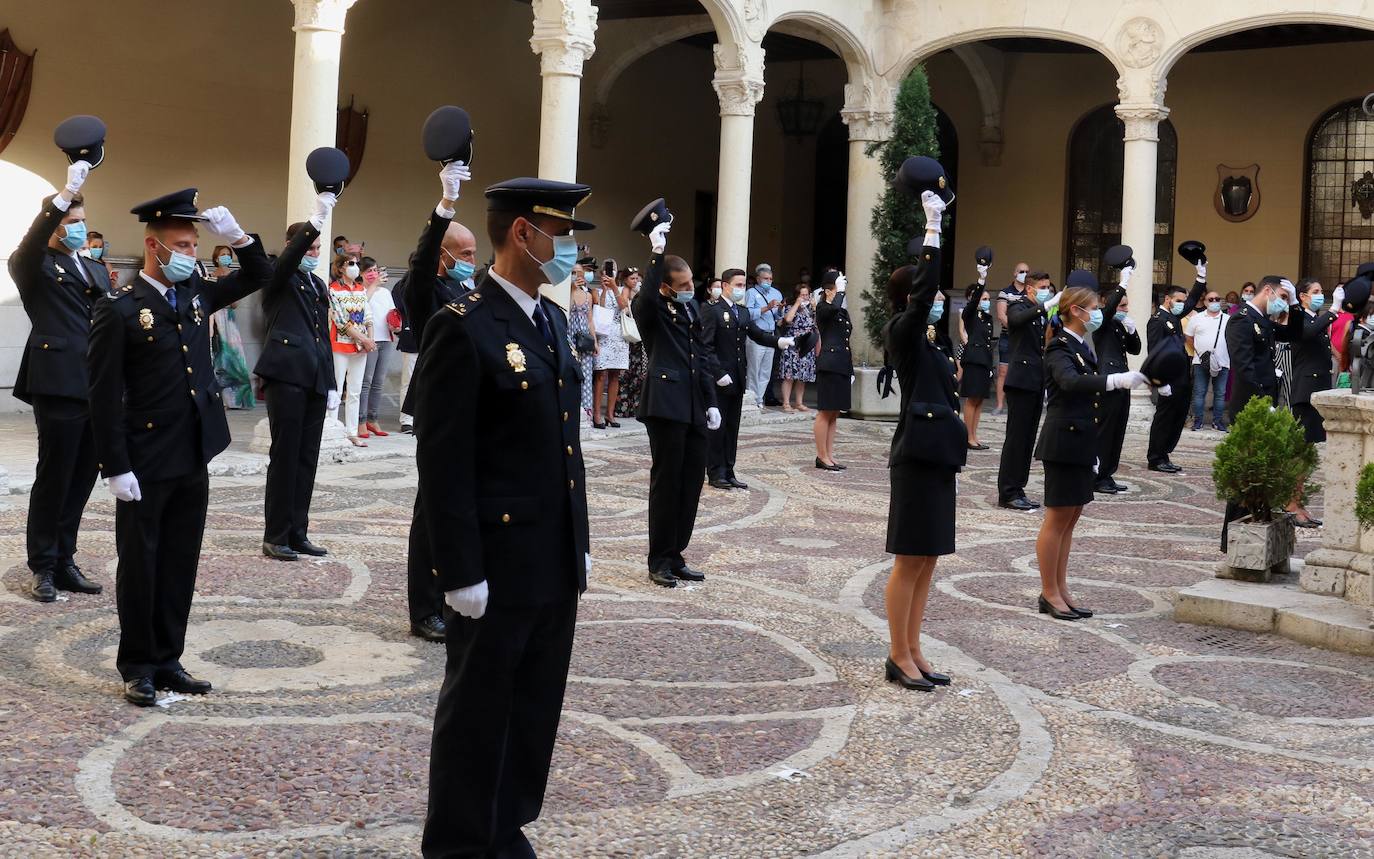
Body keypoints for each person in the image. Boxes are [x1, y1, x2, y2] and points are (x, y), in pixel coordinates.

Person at [414, 177, 591, 859]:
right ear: (524, 233)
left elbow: (564, 442)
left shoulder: (546, 319)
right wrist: (458, 569)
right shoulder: (464, 325)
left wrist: (578, 541)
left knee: (534, 704)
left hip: (550, 554)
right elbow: (444, 460)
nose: (569, 248)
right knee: (477, 711)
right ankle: (459, 842)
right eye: (563, 234)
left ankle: (505, 825)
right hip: (494, 561)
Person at [89, 189, 294, 706]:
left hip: (192, 450)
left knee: (181, 560)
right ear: (155, 248)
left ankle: (168, 658)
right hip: (144, 457)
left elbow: (259, 276)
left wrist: (239, 237)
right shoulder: (119, 310)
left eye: (194, 245)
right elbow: (103, 394)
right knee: (140, 564)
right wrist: (114, 465)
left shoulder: (196, 295)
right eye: (182, 245)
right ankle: (138, 663)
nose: (191, 254)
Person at [9, 159, 108, 602]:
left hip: (98, 384)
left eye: (81, 222)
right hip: (58, 382)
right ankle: (44, 565)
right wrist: (60, 198)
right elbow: (30, 245)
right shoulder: (34, 264)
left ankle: (66, 558)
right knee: (55, 474)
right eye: (71, 221)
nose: (78, 229)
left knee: (84, 474)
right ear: (54, 223)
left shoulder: (94, 269)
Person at [882, 189, 962, 692]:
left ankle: (915, 647)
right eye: (929, 299)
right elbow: (924, 289)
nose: (936, 305)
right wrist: (932, 230)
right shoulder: (902, 332)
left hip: (938, 456)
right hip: (915, 455)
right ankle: (896, 654)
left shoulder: (929, 340)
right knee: (909, 559)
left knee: (929, 558)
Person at [1034, 282, 1149, 621]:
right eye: (1093, 307)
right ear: (1075, 311)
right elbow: (1070, 383)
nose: (1098, 313)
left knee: (1071, 518)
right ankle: (1048, 591)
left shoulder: (1084, 345)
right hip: (1062, 440)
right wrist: (1114, 381)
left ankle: (1061, 587)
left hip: (1082, 438)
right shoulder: (1059, 347)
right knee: (1057, 519)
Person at [399, 160, 477, 642]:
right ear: (446, 257)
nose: (472, 258)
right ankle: (423, 609)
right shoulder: (426, 287)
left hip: (470, 407)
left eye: (474, 251)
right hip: (439, 408)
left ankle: (452, 593)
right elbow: (422, 263)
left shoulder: (471, 287)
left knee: (459, 509)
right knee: (430, 513)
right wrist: (443, 210)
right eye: (463, 252)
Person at [633, 218, 720, 588]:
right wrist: (655, 252)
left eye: (691, 284)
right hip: (665, 405)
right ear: (667, 286)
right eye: (682, 286)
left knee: (691, 482)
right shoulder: (651, 309)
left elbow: (699, 356)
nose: (690, 290)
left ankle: (677, 553)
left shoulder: (688, 310)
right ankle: (659, 558)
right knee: (667, 483)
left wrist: (712, 400)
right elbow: (646, 298)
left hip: (693, 406)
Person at [255, 217, 339, 563]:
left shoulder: (317, 284)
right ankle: (275, 535)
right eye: (309, 247)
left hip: (315, 377)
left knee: (307, 459)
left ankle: (297, 531)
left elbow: (323, 336)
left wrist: (331, 382)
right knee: (286, 456)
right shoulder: (279, 275)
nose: (314, 253)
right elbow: (287, 262)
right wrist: (314, 223)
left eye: (318, 248)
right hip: (286, 376)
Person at [1221, 276, 1304, 544]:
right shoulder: (1241, 319)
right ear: (1267, 290)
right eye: (1280, 296)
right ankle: (1232, 538)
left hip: (1264, 405)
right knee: (1245, 474)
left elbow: (1294, 333)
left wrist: (1295, 304)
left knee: (1261, 473)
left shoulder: (1263, 321)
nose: (1281, 302)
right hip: (1249, 408)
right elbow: (1244, 368)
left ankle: (1254, 530)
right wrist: (1260, 405)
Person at [701, 268, 794, 490]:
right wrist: (718, 372)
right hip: (720, 379)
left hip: (737, 379)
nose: (742, 289)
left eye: (744, 285)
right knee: (718, 427)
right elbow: (706, 346)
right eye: (739, 285)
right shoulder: (711, 310)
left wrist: (779, 342)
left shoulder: (741, 312)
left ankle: (729, 470)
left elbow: (757, 333)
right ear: (725, 285)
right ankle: (715, 472)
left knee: (732, 428)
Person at [997, 271, 1052, 510]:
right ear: (1029, 289)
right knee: (1016, 439)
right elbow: (1016, 322)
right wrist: (1045, 307)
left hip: (1035, 380)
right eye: (1042, 287)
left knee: (1028, 439)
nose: (1046, 291)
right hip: (1020, 381)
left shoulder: (1040, 313)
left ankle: (1019, 487)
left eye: (1048, 287)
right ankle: (1008, 491)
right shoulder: (1017, 306)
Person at [1145, 265, 1208, 472]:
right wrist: (1160, 383)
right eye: (1178, 301)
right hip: (1168, 380)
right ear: (1167, 300)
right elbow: (1154, 353)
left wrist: (1201, 276)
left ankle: (1165, 454)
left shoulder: (1173, 317)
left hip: (1181, 377)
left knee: (1177, 418)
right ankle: (1156, 457)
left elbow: (1191, 302)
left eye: (1183, 301)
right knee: (1164, 419)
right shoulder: (1157, 321)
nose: (1182, 304)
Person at [1287, 280, 1336, 525]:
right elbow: (1307, 333)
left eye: (1321, 292)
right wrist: (1333, 311)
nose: (1320, 295)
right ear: (1302, 296)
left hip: (1317, 390)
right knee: (1300, 451)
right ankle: (1292, 504)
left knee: (1307, 452)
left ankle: (1299, 502)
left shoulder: (1315, 319)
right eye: (1316, 292)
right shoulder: (1299, 319)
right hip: (1305, 392)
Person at [1093, 286, 1141, 494]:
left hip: (1123, 379)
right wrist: (1124, 281)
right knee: (1106, 429)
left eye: (1127, 305)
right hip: (1109, 379)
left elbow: (1136, 349)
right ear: (1105, 301)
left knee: (1118, 429)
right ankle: (1098, 475)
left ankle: (1108, 473)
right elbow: (1109, 309)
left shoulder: (1120, 324)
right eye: (1122, 305)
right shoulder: (1100, 320)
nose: (1126, 309)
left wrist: (1131, 330)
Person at [329, 254, 375, 446]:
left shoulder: (360, 289)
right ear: (340, 268)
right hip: (341, 344)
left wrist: (370, 339)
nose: (355, 267)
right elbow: (340, 321)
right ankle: (332, 429)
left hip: (361, 347)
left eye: (357, 264)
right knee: (336, 389)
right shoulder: (333, 290)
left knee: (355, 390)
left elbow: (368, 316)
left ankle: (352, 431)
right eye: (351, 264)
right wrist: (365, 339)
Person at [206, 245, 256, 410]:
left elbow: (235, 304)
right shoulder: (210, 276)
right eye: (223, 254)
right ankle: (220, 399)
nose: (226, 257)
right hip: (214, 318)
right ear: (216, 257)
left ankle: (237, 400)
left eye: (228, 254)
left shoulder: (234, 276)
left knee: (234, 357)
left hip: (228, 320)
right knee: (218, 359)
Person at [813, 270, 853, 470]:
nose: (841, 293)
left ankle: (829, 454)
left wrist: (851, 369)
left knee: (834, 412)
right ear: (829, 291)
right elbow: (830, 311)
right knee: (825, 411)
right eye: (837, 289)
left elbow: (846, 341)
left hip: (841, 363)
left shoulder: (840, 310)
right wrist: (839, 294)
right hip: (829, 363)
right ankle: (821, 456)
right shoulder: (822, 308)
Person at [358, 259, 397, 438]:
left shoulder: (386, 292)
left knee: (378, 382)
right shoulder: (360, 291)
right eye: (369, 271)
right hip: (369, 341)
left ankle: (373, 418)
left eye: (375, 269)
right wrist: (372, 285)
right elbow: (361, 306)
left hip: (386, 340)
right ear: (361, 273)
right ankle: (361, 420)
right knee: (366, 381)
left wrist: (396, 326)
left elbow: (392, 313)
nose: (373, 273)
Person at [1185, 289, 1230, 431]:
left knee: (1220, 394)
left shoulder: (1228, 319)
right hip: (1201, 362)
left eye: (1217, 299)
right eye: (1210, 299)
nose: (1214, 302)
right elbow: (1188, 337)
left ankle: (1217, 422)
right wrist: (1199, 351)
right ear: (1204, 302)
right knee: (1199, 392)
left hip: (1222, 362)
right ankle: (1198, 421)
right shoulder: (1196, 318)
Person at [961, 267, 995, 450]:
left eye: (989, 299)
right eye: (984, 298)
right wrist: (981, 281)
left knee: (980, 399)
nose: (987, 302)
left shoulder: (986, 318)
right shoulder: (970, 313)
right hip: (974, 360)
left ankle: (974, 435)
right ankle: (967, 436)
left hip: (984, 361)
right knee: (972, 399)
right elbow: (973, 303)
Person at [592, 264, 630, 427]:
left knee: (615, 375)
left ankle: (610, 414)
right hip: (603, 335)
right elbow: (600, 310)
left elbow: (623, 307)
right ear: (602, 273)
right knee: (601, 374)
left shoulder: (623, 289)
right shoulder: (595, 291)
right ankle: (596, 414)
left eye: (613, 269)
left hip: (619, 336)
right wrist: (605, 289)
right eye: (608, 270)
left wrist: (614, 288)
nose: (610, 272)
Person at [744, 263, 784, 408]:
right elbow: (748, 314)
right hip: (756, 336)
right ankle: (750, 400)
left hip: (770, 336)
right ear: (758, 279)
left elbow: (779, 318)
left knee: (766, 371)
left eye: (771, 279)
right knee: (754, 369)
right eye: (765, 278)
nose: (768, 281)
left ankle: (759, 399)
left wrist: (780, 309)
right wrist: (767, 307)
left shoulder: (776, 293)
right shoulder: (751, 293)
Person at [994, 261, 1031, 414]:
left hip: (1026, 339)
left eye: (1027, 271)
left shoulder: (1030, 292)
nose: (1025, 274)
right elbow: (1002, 315)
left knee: (1024, 370)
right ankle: (1000, 405)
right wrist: (1016, 327)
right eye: (1021, 271)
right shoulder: (1005, 292)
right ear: (1015, 273)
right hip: (1007, 337)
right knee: (1003, 370)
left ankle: (1019, 405)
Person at [780, 284, 817, 412]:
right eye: (802, 295)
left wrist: (814, 306)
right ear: (797, 295)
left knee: (803, 376)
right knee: (789, 374)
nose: (805, 297)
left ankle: (799, 402)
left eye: (807, 295)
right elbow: (788, 319)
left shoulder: (810, 309)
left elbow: (817, 324)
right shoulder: (790, 307)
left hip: (807, 344)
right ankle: (786, 402)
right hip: (793, 343)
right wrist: (797, 304)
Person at [616, 267, 647, 417]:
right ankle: (622, 407)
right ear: (625, 280)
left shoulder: (641, 292)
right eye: (632, 278)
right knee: (624, 374)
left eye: (637, 278)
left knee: (638, 373)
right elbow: (625, 308)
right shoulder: (623, 291)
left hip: (639, 337)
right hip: (626, 337)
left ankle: (636, 406)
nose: (636, 281)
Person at [569, 262, 597, 420]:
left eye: (580, 273)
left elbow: (590, 319)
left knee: (586, 374)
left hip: (585, 338)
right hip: (570, 336)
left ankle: (586, 411)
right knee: (572, 373)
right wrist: (572, 288)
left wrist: (595, 342)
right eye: (574, 273)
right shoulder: (567, 293)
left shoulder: (588, 295)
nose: (578, 276)